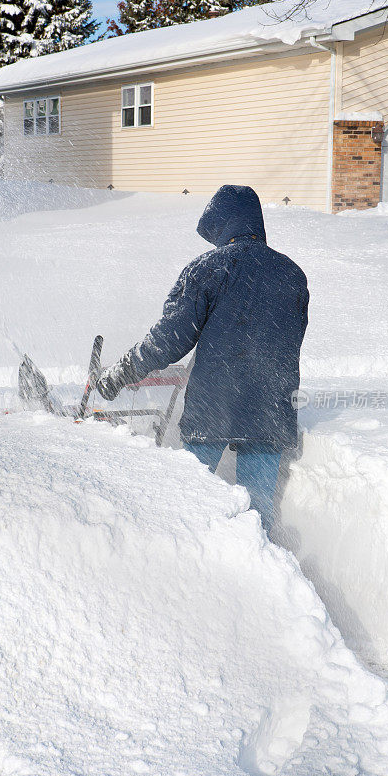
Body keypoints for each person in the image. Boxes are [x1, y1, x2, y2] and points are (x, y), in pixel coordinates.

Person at [97, 185, 309, 532]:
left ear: (223, 225)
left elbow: (169, 339)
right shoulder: (293, 274)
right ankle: (263, 574)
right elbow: (289, 339)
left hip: (215, 404)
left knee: (186, 505)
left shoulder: (209, 267)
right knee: (258, 516)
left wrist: (119, 374)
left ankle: (183, 567)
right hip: (271, 408)